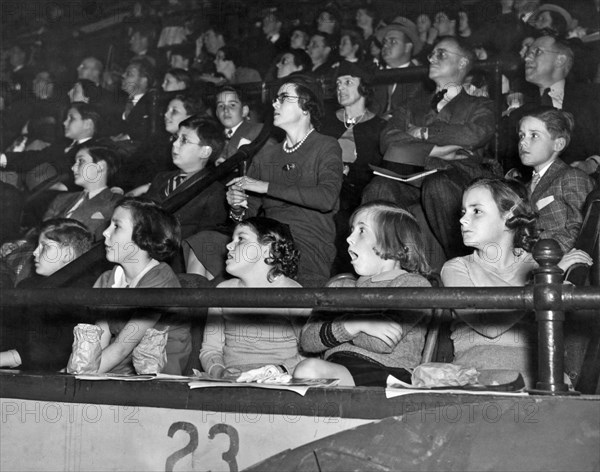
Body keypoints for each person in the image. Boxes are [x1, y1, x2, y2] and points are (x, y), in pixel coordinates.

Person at [441, 178, 592, 388]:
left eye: (476, 211)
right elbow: (489, 326)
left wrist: (548, 277)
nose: (463, 220)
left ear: (509, 216)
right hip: (477, 377)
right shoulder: (456, 268)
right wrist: (545, 282)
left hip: (541, 379)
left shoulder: (538, 265)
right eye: (463, 212)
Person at [364, 36, 497, 261]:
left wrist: (423, 133)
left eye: (441, 54)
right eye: (432, 54)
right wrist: (434, 150)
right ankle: (382, 264)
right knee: (378, 188)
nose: (432, 58)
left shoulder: (479, 104)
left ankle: (462, 262)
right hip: (413, 174)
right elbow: (389, 140)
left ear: (463, 62)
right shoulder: (411, 104)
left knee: (438, 185)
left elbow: (474, 134)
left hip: (458, 175)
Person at [293, 202, 432, 387]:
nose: (349, 238)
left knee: (308, 370)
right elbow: (308, 340)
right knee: (307, 371)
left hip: (389, 374)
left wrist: (336, 327)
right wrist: (354, 324)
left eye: (361, 231)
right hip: (338, 369)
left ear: (393, 241)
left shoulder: (412, 284)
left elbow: (382, 342)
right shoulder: (339, 286)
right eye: (352, 230)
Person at [225, 74, 343, 287]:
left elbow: (326, 198)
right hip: (268, 241)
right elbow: (248, 213)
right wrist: (237, 206)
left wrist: (264, 186)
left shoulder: (326, 146)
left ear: (306, 106)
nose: (274, 103)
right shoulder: (266, 154)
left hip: (307, 242)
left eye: (283, 97)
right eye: (275, 98)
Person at [200, 217, 307, 378]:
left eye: (241, 239)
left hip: (279, 379)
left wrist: (278, 370)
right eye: (232, 239)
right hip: (233, 380)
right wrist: (219, 371)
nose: (228, 245)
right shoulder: (222, 291)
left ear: (267, 250)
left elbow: (311, 350)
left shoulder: (293, 293)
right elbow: (210, 349)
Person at [94, 197, 191, 375]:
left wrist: (81, 375)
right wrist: (77, 371)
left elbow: (122, 347)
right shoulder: (108, 279)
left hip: (157, 372)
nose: (105, 233)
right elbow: (99, 341)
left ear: (143, 237)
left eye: (116, 226)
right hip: (118, 368)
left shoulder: (160, 280)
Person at [0, 219, 93, 370]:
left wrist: (8, 357)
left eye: (45, 246)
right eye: (37, 245)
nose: (35, 252)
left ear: (67, 254)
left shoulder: (80, 295)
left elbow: (54, 350)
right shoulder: (27, 286)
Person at [320, 61, 386, 272]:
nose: (340, 87)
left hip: (354, 193)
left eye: (348, 82)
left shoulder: (380, 127)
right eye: (338, 83)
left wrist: (349, 171)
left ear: (364, 86)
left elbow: (375, 168)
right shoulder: (325, 122)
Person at [502, 34, 600, 172]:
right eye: (527, 53)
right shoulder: (519, 111)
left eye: (537, 52)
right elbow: (510, 160)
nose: (527, 58)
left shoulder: (592, 97)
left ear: (560, 60)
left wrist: (593, 163)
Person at [518, 108, 595, 252]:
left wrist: (538, 257)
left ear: (558, 144)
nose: (523, 143)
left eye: (534, 135)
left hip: (557, 266)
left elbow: (581, 232)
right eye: (522, 135)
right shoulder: (526, 186)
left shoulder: (572, 177)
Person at [43, 144, 122, 241]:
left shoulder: (115, 203)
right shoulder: (61, 199)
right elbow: (42, 232)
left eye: (81, 161)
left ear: (100, 166)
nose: (73, 168)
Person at [213, 86, 263, 164]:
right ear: (216, 113)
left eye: (232, 105)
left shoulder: (257, 131)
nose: (225, 110)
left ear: (244, 111)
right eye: (221, 106)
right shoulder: (214, 137)